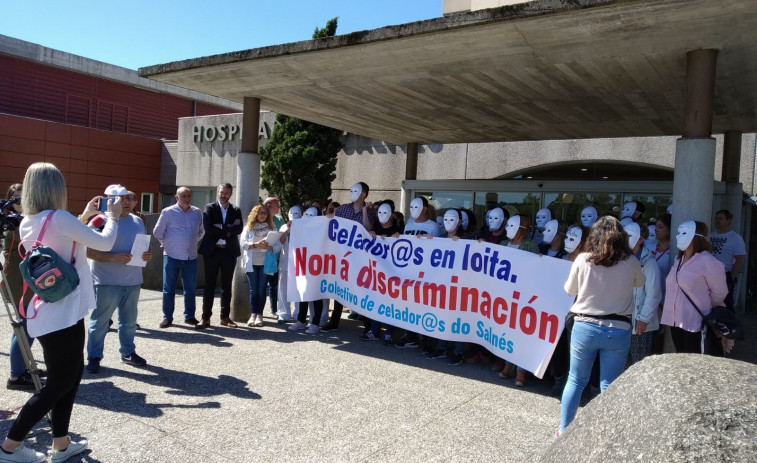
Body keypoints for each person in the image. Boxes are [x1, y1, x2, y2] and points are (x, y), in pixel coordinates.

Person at [0, 162, 121, 463]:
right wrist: (113, 218)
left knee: (70, 376)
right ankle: (9, 447)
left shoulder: (31, 220)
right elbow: (105, 242)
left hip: (48, 311)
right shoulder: (60, 218)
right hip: (64, 313)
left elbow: (61, 239)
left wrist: (87, 217)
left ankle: (61, 443)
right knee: (60, 383)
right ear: (56, 188)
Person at [559, 216, 644, 435]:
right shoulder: (631, 261)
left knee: (576, 380)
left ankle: (563, 430)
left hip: (584, 326)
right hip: (618, 328)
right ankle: (604, 436)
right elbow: (640, 282)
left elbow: (569, 290)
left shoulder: (582, 259)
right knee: (609, 385)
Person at [84, 185, 152, 374]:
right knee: (100, 322)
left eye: (128, 198)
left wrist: (146, 255)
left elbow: (140, 247)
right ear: (109, 201)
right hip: (107, 281)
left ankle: (128, 352)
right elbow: (87, 250)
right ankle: (94, 356)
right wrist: (113, 258)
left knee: (129, 321)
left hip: (133, 280)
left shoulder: (138, 221)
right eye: (121, 199)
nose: (127, 203)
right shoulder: (98, 221)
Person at [661, 220, 729, 355]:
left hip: (696, 322)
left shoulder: (708, 262)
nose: (678, 236)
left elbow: (720, 293)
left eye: (684, 232)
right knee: (682, 358)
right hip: (675, 321)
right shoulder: (678, 260)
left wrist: (705, 306)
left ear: (697, 236)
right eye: (678, 232)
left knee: (695, 362)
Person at [321, 182, 377, 332]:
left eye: (356, 190)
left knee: (362, 288)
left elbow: (368, 229)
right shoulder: (343, 208)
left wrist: (365, 211)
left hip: (360, 258)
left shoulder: (370, 211)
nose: (352, 192)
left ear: (363, 194)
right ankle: (334, 322)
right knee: (340, 287)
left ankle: (367, 325)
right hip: (343, 255)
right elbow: (333, 224)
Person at [1, 183, 37, 390]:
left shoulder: (23, 221)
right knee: (24, 327)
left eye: (24, 197)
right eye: (16, 198)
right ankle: (16, 376)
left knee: (26, 327)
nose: (21, 202)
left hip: (23, 278)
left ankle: (23, 367)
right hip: (18, 280)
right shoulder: (13, 224)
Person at [153, 187, 205, 329]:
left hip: (190, 257)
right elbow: (157, 232)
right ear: (177, 197)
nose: (187, 199)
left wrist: (191, 243)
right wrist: (167, 244)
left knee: (190, 289)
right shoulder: (168, 212)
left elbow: (201, 232)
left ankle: (189, 316)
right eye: (184, 196)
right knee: (168, 289)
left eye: (189, 196)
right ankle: (167, 317)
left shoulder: (197, 212)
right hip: (171, 256)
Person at [196, 183, 243, 329]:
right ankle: (205, 318)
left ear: (230, 194)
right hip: (212, 251)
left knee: (226, 286)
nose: (223, 195)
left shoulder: (236, 210)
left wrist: (221, 227)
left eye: (227, 193)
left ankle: (225, 317)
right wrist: (228, 230)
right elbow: (208, 228)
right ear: (218, 192)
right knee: (209, 285)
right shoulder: (210, 207)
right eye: (221, 192)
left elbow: (239, 228)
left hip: (229, 252)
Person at [361, 200, 403, 343]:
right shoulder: (376, 228)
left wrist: (396, 238)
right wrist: (371, 233)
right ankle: (374, 331)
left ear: (392, 215)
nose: (381, 215)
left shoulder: (397, 230)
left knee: (390, 303)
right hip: (377, 273)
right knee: (377, 301)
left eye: (385, 213)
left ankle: (389, 333)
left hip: (392, 273)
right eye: (380, 212)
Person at [623, 222, 662, 366]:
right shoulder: (620, 260)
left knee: (638, 365)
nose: (625, 239)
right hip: (622, 322)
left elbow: (654, 294)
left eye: (630, 236)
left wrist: (643, 319)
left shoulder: (649, 264)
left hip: (639, 325)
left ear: (641, 239)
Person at [240, 204, 278, 327]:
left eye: (264, 213)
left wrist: (268, 247)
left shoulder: (272, 228)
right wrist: (256, 245)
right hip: (251, 263)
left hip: (265, 264)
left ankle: (259, 315)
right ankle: (253, 314)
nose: (262, 215)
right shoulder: (248, 228)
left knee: (261, 291)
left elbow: (278, 247)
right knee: (253, 290)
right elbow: (243, 244)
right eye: (260, 213)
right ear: (255, 214)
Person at [710, 209, 746, 311]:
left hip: (724, 274)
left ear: (728, 220)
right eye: (716, 218)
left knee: (725, 304)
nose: (717, 221)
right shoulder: (711, 236)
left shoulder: (735, 238)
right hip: (709, 275)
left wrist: (732, 276)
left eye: (721, 218)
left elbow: (740, 259)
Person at [263, 197, 285, 319]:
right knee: (260, 286)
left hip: (275, 257)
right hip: (260, 258)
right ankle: (257, 311)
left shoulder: (280, 219)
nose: (278, 207)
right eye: (276, 204)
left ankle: (274, 309)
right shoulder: (261, 217)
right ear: (269, 206)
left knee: (274, 285)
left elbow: (283, 237)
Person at [651, 213, 671, 277]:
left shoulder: (674, 251)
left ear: (670, 229)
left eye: (660, 227)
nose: (656, 229)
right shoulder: (649, 246)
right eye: (655, 226)